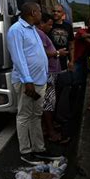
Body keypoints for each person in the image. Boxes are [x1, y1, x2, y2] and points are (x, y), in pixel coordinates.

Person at [7, 2, 61, 165]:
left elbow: (37, 54)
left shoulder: (33, 30)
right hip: (27, 82)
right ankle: (26, 151)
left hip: (39, 81)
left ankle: (39, 149)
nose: (41, 14)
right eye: (39, 11)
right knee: (24, 116)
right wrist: (28, 80)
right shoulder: (16, 30)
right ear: (32, 12)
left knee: (36, 116)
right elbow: (18, 57)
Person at [36, 13, 68, 142]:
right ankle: (50, 132)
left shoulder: (41, 34)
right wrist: (58, 53)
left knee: (49, 102)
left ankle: (47, 127)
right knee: (48, 103)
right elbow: (43, 54)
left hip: (50, 72)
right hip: (48, 73)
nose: (50, 27)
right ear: (41, 23)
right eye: (49, 24)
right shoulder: (40, 34)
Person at [49, 4, 75, 71]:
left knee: (64, 79)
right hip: (50, 60)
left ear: (63, 13)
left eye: (58, 11)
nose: (55, 13)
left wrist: (71, 61)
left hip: (64, 61)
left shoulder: (68, 26)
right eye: (54, 11)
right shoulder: (48, 25)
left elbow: (71, 45)